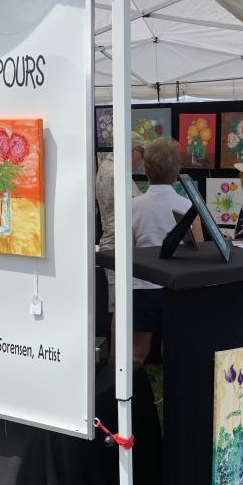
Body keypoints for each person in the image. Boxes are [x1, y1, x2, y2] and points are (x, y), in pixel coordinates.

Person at [132, 138, 204, 364]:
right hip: (176, 285)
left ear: (146, 170)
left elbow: (130, 248)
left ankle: (133, 385)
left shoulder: (132, 206)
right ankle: (172, 385)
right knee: (171, 348)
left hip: (142, 285)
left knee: (137, 350)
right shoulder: (188, 206)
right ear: (176, 172)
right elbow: (199, 249)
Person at [96, 131, 145, 355]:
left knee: (119, 306)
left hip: (113, 242)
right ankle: (118, 361)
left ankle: (119, 360)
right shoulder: (117, 173)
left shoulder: (106, 167)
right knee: (121, 307)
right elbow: (136, 207)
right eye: (141, 156)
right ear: (133, 151)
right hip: (118, 244)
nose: (141, 162)